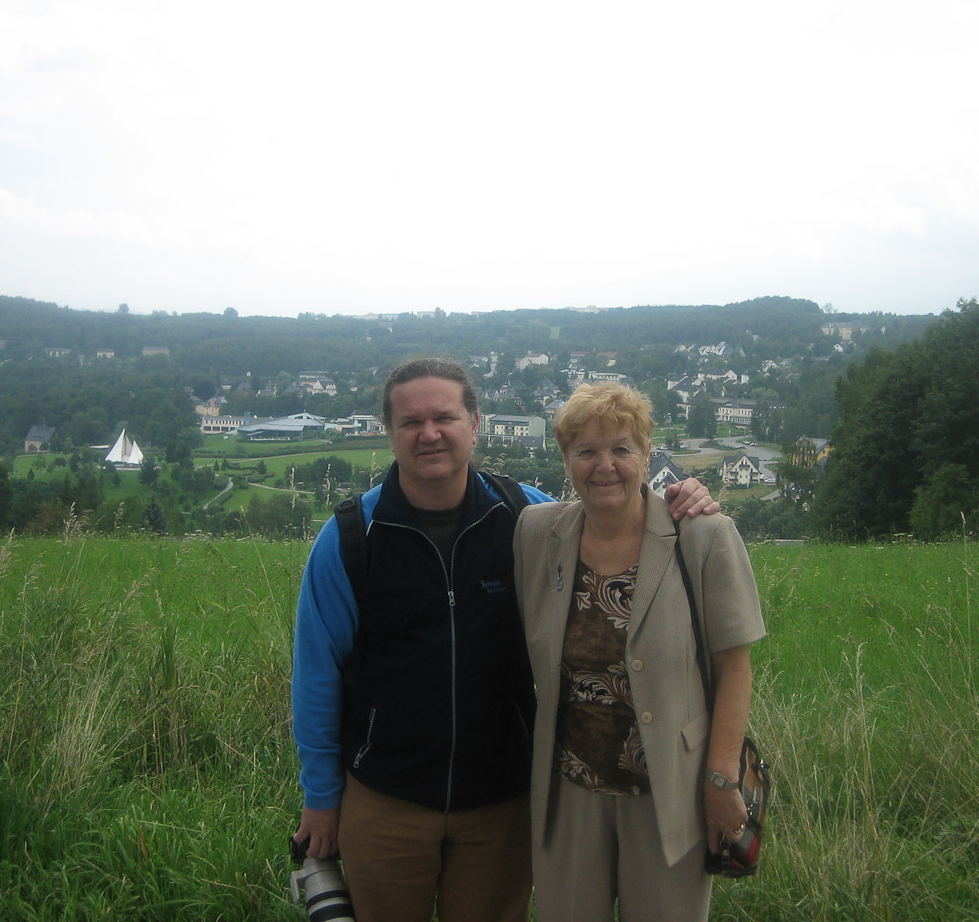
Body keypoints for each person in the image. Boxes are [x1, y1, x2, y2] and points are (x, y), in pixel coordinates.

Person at [291, 358, 717, 922]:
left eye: (444, 417)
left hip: (502, 802)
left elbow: (618, 520)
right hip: (386, 800)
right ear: (388, 432)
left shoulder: (527, 517)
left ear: (474, 423)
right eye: (411, 422)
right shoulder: (351, 538)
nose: (429, 433)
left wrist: (685, 501)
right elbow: (316, 674)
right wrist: (321, 798)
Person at [513, 382, 766, 922]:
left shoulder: (703, 535)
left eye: (621, 449)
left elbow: (734, 667)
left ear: (647, 455)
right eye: (586, 450)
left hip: (670, 792)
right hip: (569, 790)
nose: (604, 466)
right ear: (566, 459)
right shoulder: (536, 533)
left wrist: (722, 779)